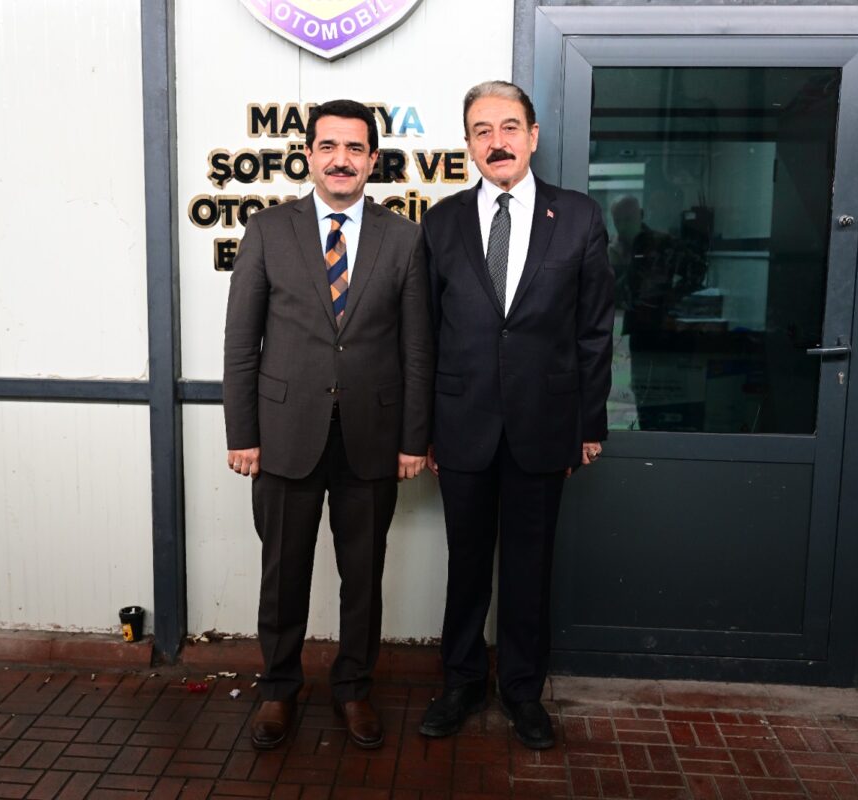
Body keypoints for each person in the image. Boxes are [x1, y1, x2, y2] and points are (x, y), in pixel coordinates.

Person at [223, 99, 433, 751]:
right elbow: (241, 342)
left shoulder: (404, 238)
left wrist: (413, 439)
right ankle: (278, 689)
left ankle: (353, 689)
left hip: (372, 437)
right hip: (285, 435)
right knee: (282, 574)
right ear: (309, 155)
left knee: (362, 578)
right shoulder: (267, 230)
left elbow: (417, 348)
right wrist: (242, 433)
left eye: (354, 148)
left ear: (373, 159)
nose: (341, 159)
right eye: (328, 147)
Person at [418, 81, 614, 750]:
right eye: (481, 130)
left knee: (529, 569)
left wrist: (589, 424)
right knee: (466, 564)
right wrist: (423, 432)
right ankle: (462, 683)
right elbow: (424, 335)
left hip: (545, 424)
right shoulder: (440, 222)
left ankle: (523, 692)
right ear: (467, 143)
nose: (495, 142)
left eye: (508, 127)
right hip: (461, 424)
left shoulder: (578, 216)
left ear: (532, 136)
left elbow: (594, 330)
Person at [609, 195, 708, 430]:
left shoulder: (661, 244)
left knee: (670, 388)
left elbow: (697, 269)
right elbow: (614, 292)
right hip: (639, 329)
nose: (623, 225)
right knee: (643, 388)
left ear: (640, 216)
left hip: (666, 328)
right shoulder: (614, 249)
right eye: (618, 220)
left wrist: (672, 297)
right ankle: (648, 431)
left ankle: (673, 435)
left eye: (628, 219)